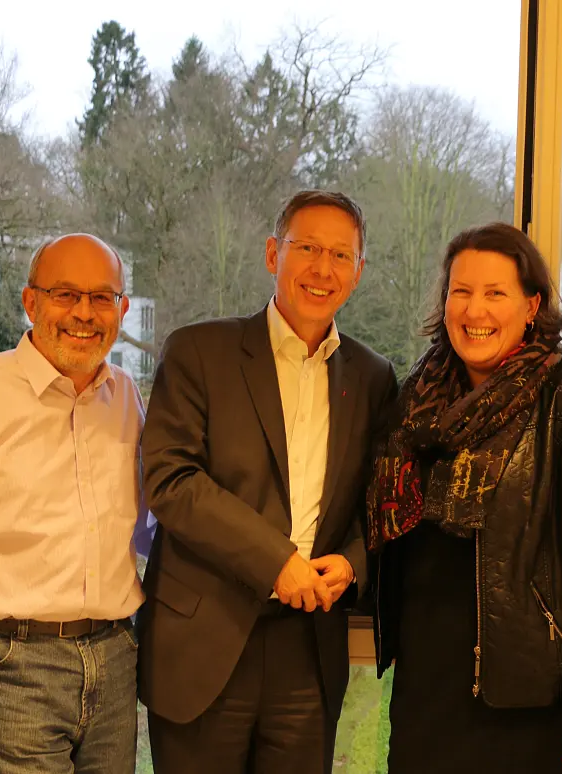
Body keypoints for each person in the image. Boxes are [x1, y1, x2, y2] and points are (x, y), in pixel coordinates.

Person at [138, 190, 398, 774]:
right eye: (307, 248)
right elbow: (172, 479)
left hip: (309, 649)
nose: (323, 268)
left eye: (340, 255)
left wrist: (354, 561)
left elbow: (382, 502)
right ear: (272, 254)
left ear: (358, 272)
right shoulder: (199, 351)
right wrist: (275, 561)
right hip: (203, 640)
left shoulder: (373, 376)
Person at [367, 222, 562, 773]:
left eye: (496, 293)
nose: (476, 311)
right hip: (428, 681)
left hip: (535, 692)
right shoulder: (415, 400)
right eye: (461, 291)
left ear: (532, 305)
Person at [0, 234, 145, 774]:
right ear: (31, 302)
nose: (84, 313)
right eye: (65, 294)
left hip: (114, 656)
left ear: (122, 309)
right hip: (5, 661)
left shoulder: (126, 396)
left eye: (102, 297)